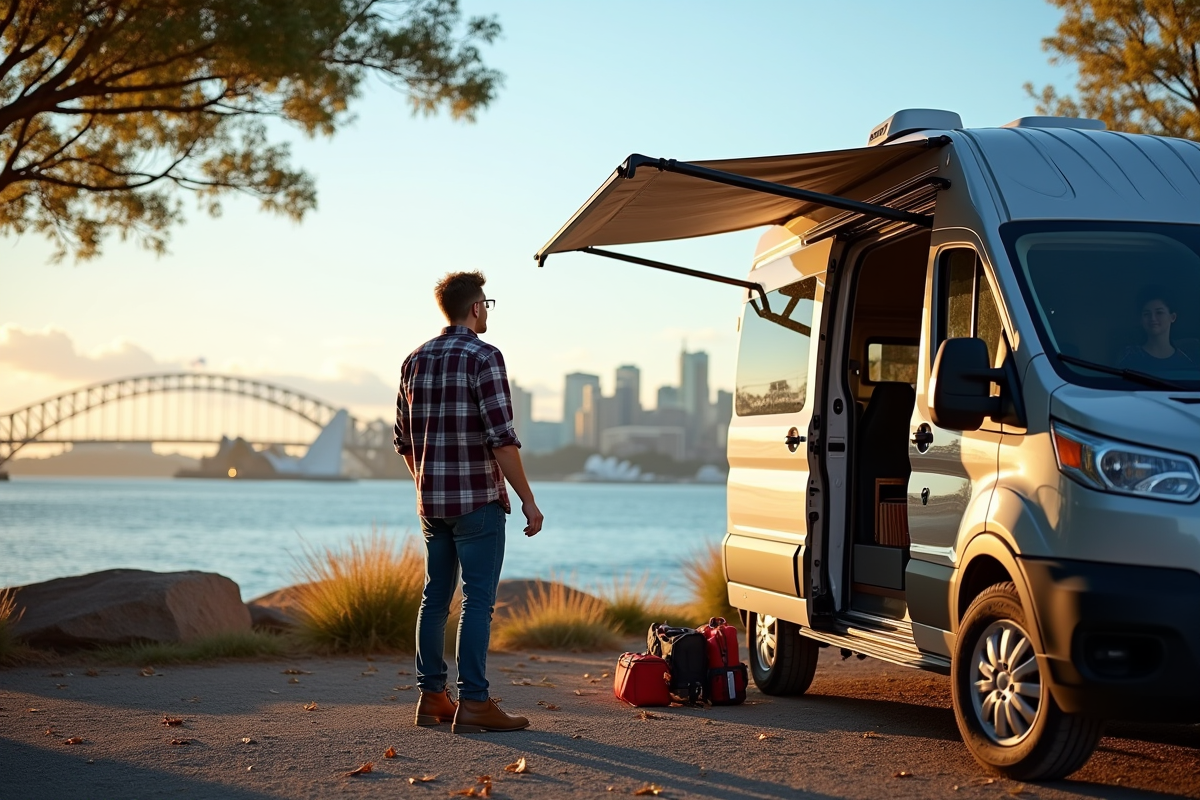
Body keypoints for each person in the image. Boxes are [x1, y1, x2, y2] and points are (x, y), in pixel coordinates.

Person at [393, 270, 544, 734]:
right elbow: (502, 438)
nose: (486, 311)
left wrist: (426, 484)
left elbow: (403, 440)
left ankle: (432, 699)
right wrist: (529, 501)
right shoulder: (485, 356)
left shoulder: (414, 360)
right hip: (477, 500)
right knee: (478, 602)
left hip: (431, 506)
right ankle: (475, 703)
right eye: (487, 304)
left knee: (435, 597)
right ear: (476, 307)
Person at [1117, 287, 1194, 372]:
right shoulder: (1130, 357)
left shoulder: (1184, 361)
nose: (1153, 318)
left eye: (1159, 312)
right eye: (1147, 314)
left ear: (1172, 317)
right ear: (1141, 320)